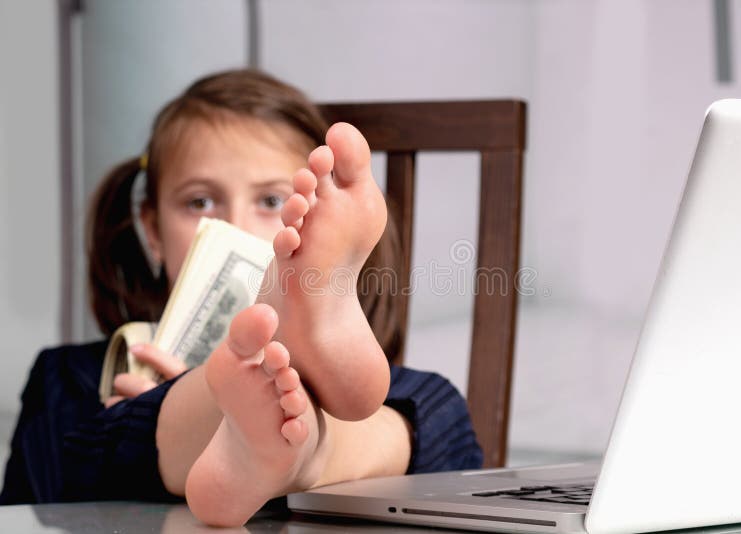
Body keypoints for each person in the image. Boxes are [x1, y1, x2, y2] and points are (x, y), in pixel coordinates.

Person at [0, 69, 482, 526]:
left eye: (273, 201)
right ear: (151, 229)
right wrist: (183, 403)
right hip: (125, 456)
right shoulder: (68, 377)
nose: (234, 227)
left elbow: (454, 446)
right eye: (200, 202)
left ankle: (290, 443)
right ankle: (274, 432)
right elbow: (44, 491)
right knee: (91, 425)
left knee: (428, 404)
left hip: (334, 416)